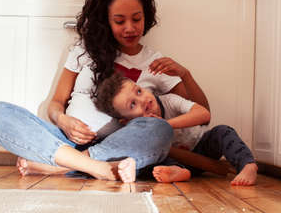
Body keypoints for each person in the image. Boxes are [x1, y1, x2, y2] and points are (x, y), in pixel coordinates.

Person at [0, 0, 210, 182]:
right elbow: (56, 104)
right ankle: (99, 168)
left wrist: (185, 74)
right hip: (65, 142)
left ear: (146, 17)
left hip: (121, 147)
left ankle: (63, 166)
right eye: (119, 21)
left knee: (160, 130)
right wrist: (64, 121)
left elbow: (202, 115)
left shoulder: (155, 63)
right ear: (106, 21)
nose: (130, 28)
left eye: (137, 19)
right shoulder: (84, 50)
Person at [94, 72, 258, 186]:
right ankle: (178, 172)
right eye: (132, 104)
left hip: (200, 146)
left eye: (138, 91)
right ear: (125, 120)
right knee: (150, 163)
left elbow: (203, 114)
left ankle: (247, 165)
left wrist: (168, 124)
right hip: (172, 160)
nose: (142, 100)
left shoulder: (169, 101)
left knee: (223, 131)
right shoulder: (135, 127)